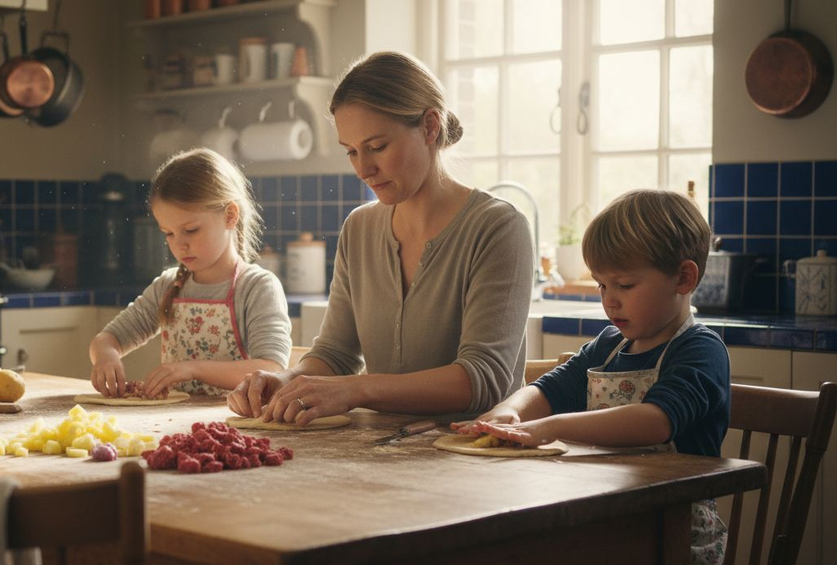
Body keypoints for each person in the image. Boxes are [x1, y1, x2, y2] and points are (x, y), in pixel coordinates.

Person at [460, 189, 729, 565]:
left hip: (672, 542)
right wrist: (508, 411)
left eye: (624, 285)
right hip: (600, 529)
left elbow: (655, 421)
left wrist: (549, 429)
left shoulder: (700, 351)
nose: (610, 300)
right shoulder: (608, 346)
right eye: (602, 285)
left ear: (683, 277)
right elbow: (547, 388)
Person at [227, 51, 534, 424]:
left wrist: (357, 388)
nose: (363, 169)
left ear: (430, 127)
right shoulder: (359, 228)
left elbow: (483, 379)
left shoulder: (498, 228)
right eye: (351, 152)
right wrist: (287, 380)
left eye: (377, 147)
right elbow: (336, 353)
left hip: (477, 456)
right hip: (379, 452)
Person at [89, 148, 291, 398]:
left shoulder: (256, 287)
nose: (179, 244)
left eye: (191, 230)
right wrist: (106, 357)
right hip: (174, 426)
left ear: (230, 215)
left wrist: (192, 369)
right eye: (169, 233)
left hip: (233, 428)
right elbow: (107, 339)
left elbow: (270, 369)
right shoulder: (168, 286)